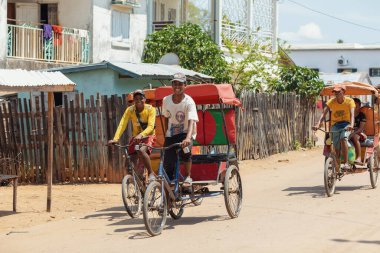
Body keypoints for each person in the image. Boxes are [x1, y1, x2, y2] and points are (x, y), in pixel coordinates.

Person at [108, 89, 157, 181]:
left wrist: (141, 135)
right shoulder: (130, 110)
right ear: (133, 100)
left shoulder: (151, 109)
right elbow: (122, 124)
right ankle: (138, 177)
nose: (138, 101)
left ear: (145, 99)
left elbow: (151, 127)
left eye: (141, 98)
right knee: (130, 158)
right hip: (136, 138)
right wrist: (115, 139)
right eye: (136, 99)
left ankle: (150, 173)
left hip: (149, 136)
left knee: (142, 150)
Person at [162, 73, 198, 186]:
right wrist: (166, 135)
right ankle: (170, 185)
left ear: (185, 85)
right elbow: (166, 117)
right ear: (172, 85)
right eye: (175, 84)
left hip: (186, 132)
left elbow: (191, 120)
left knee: (186, 150)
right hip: (171, 134)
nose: (177, 86)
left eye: (180, 84)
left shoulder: (189, 101)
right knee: (167, 161)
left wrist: (188, 137)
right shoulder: (166, 100)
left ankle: (188, 176)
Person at [313, 84, 355, 170]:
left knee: (343, 138)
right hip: (335, 125)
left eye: (338, 92)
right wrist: (318, 124)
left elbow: (352, 114)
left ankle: (346, 163)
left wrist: (351, 125)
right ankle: (337, 162)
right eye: (335, 92)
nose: (336, 93)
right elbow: (323, 114)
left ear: (343, 92)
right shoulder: (331, 101)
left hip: (346, 124)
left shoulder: (349, 101)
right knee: (335, 145)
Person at [350, 98, 366, 163]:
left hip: (358, 132)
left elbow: (361, 128)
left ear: (359, 106)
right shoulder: (348, 114)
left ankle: (359, 157)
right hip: (349, 131)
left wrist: (353, 133)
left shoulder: (362, 115)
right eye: (354, 105)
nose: (355, 107)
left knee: (355, 137)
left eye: (357, 105)